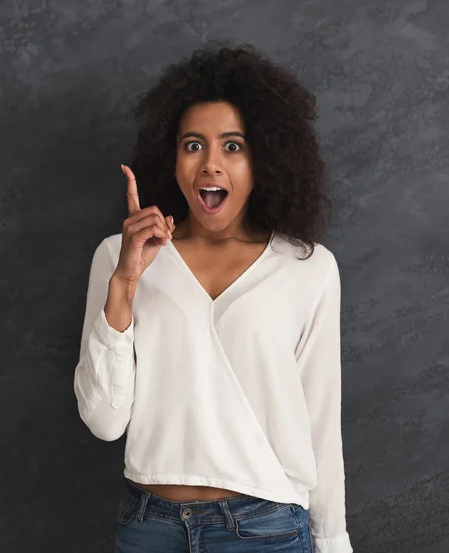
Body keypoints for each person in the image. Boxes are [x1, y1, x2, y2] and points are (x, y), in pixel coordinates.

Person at [73, 41, 353, 553]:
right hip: (148, 528)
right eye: (193, 145)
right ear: (172, 157)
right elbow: (104, 421)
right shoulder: (120, 257)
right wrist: (126, 284)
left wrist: (332, 542)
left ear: (263, 158)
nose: (211, 165)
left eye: (233, 145)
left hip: (264, 528)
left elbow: (321, 424)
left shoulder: (307, 269)